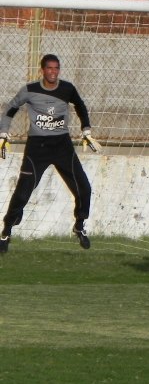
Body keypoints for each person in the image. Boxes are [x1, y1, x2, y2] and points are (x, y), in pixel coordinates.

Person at [0, 54, 100, 253]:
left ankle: (80, 226)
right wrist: (3, 132)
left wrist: (86, 130)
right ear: (42, 70)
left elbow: (80, 106)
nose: (53, 72)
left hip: (62, 145)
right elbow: (11, 108)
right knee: (22, 193)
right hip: (37, 148)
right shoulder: (30, 90)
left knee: (84, 189)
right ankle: (6, 231)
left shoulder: (67, 89)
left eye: (56, 68)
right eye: (49, 68)